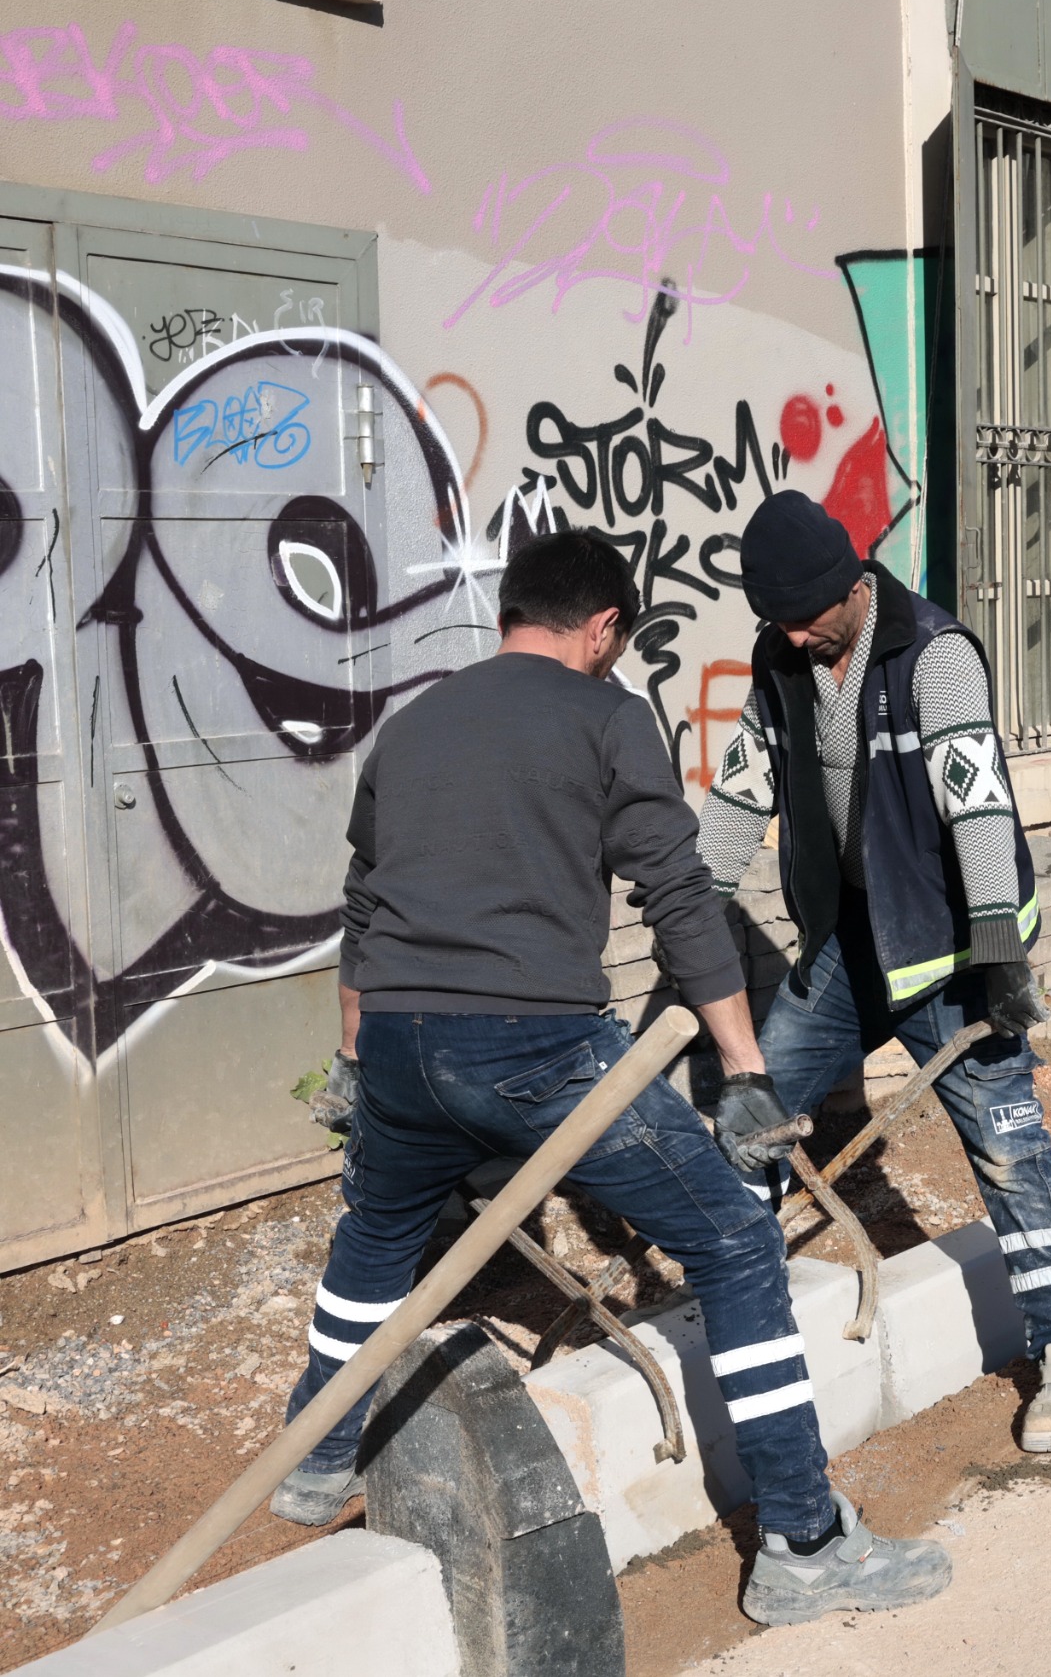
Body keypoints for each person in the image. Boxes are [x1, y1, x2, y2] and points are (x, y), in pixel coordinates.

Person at [277, 528, 948, 1626]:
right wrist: (742, 1067)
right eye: (616, 643)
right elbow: (679, 895)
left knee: (376, 1235)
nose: (614, 660)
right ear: (600, 628)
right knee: (734, 1236)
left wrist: (357, 1055)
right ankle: (804, 1541)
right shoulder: (605, 716)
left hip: (398, 1041)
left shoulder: (413, 723)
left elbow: (362, 903)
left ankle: (317, 1457)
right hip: (533, 1050)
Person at [696, 491, 1051, 1455]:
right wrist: (690, 894)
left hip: (955, 944)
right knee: (749, 1117)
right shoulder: (781, 659)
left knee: (1008, 1147)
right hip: (851, 943)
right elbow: (740, 789)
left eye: (801, 616)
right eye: (775, 622)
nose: (791, 637)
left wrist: (1001, 949)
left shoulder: (935, 654)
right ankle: (746, 1325)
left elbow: (979, 806)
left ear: (847, 584)